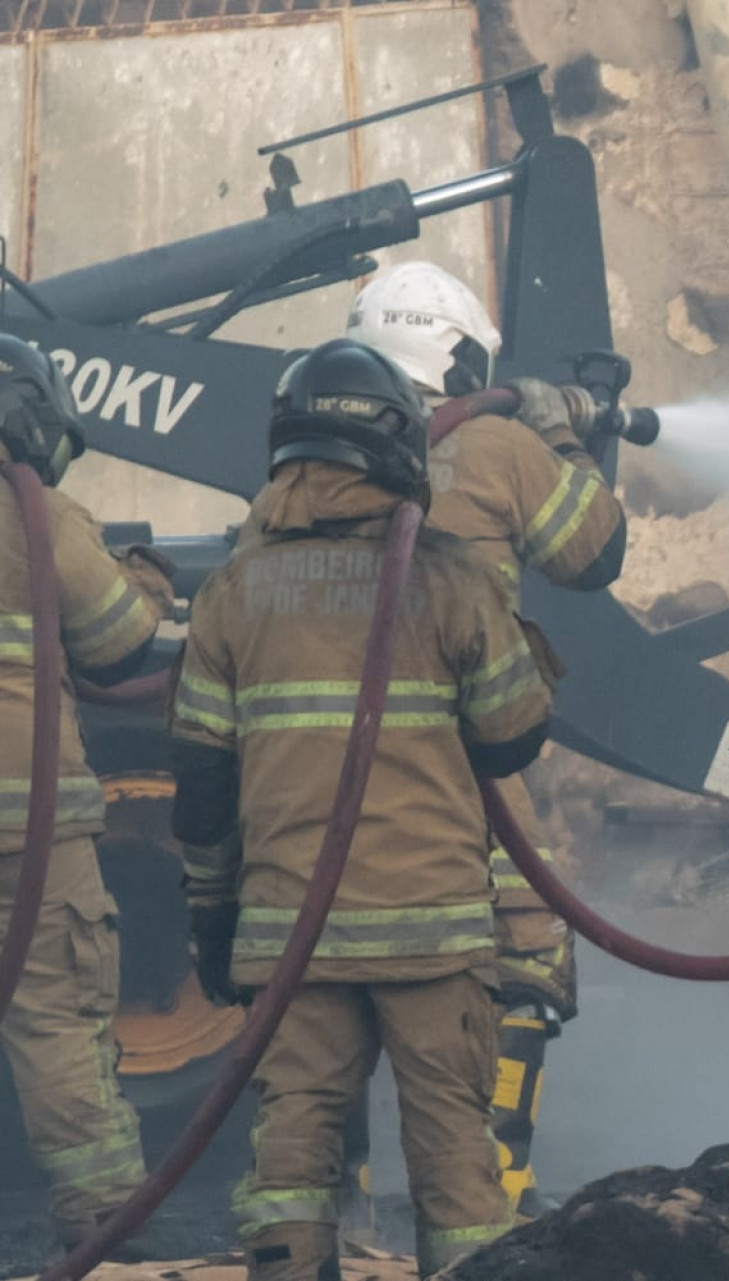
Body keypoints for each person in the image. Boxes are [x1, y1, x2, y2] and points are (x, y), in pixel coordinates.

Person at [169, 338, 557, 1280]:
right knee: (455, 1164)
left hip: (292, 937)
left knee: (292, 1159)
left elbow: (203, 789)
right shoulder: (449, 576)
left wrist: (216, 920)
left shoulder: (231, 592)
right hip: (430, 938)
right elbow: (512, 735)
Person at [341, 259, 628, 1216]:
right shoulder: (499, 445)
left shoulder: (305, 450)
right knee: (526, 946)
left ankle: (356, 1188)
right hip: (463, 747)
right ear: (459, 360)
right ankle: (495, 1181)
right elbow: (594, 550)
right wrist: (562, 432)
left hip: (321, 760)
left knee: (331, 963)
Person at [0, 336, 171, 1258]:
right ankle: (104, 1221)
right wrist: (144, 573)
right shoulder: (43, 515)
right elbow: (120, 642)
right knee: (58, 1015)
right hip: (28, 825)